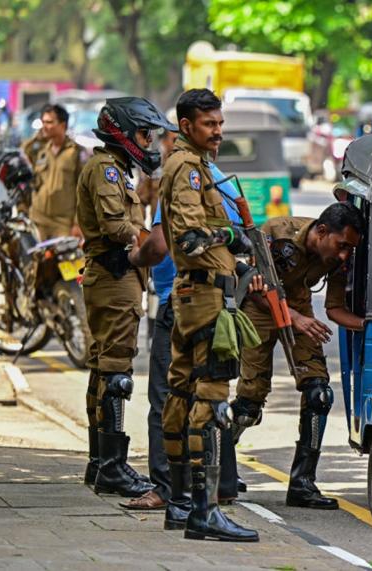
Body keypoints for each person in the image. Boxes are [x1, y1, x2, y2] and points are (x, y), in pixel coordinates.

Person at [120, 131, 245, 513]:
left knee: (172, 396)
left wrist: (129, 260)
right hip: (223, 297)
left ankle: (169, 490)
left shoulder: (182, 173)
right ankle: (217, 487)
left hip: (186, 299)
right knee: (212, 392)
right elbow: (240, 241)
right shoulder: (220, 180)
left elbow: (161, 245)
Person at [158, 88, 258, 542]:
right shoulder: (188, 171)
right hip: (206, 302)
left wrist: (234, 263)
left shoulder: (191, 166)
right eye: (209, 124)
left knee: (180, 392)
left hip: (196, 294)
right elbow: (191, 240)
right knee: (212, 399)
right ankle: (204, 510)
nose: (218, 131)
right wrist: (231, 239)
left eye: (219, 123)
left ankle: (180, 503)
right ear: (186, 126)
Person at [232, 203, 365, 509]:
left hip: (300, 311)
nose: (344, 254)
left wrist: (368, 326)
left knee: (319, 394)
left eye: (350, 249)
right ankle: (223, 464)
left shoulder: (337, 258)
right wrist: (295, 318)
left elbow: (333, 309)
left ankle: (303, 484)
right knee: (248, 405)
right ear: (321, 231)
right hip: (261, 309)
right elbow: (255, 288)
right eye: (341, 245)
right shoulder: (277, 233)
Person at [76, 96, 177, 497]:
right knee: (116, 374)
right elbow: (115, 224)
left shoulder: (118, 169)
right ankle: (113, 467)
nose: (148, 141)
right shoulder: (106, 170)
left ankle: (101, 463)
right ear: (121, 132)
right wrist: (145, 243)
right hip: (115, 274)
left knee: (105, 369)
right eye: (142, 133)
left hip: (120, 275)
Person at [29, 104, 85, 239]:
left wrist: (78, 223)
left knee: (65, 260)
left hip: (63, 223)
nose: (44, 126)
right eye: (43, 122)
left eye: (49, 122)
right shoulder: (41, 150)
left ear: (62, 125)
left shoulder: (76, 152)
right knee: (38, 260)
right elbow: (24, 152)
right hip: (38, 220)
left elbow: (84, 190)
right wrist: (37, 137)